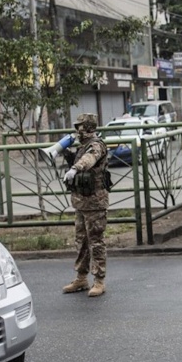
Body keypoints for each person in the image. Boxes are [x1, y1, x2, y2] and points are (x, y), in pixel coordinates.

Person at [62, 113, 110, 298]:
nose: (77, 130)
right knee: (81, 241)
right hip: (81, 201)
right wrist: (67, 155)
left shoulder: (96, 145)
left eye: (80, 126)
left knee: (96, 241)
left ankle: (99, 280)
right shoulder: (83, 147)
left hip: (95, 201)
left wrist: (76, 168)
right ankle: (81, 277)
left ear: (88, 126)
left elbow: (90, 159)